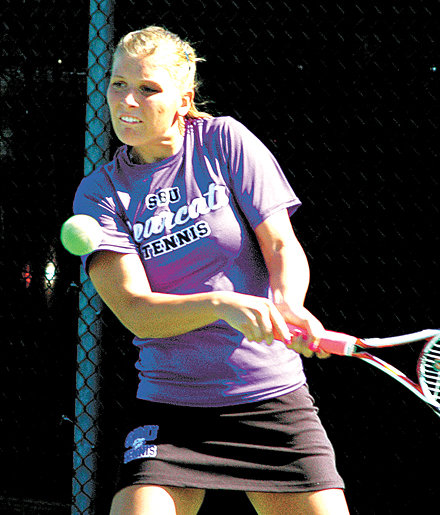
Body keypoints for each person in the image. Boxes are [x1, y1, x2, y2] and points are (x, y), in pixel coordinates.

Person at [72, 26, 349, 514]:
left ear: (184, 98)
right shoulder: (99, 193)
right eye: (118, 84)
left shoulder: (224, 141)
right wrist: (223, 305)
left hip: (271, 398)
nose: (127, 101)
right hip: (172, 407)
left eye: (148, 88)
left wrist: (287, 304)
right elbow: (137, 311)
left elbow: (281, 243)